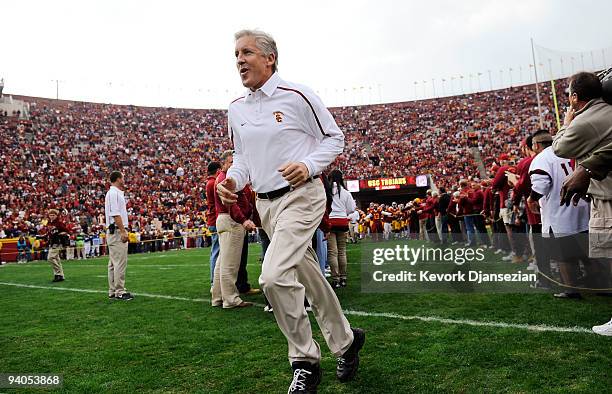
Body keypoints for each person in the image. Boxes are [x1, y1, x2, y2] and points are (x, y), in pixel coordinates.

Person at [217, 29, 364, 393]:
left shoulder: (298, 95)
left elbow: (335, 138)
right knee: (309, 275)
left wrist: (309, 164)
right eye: (236, 54)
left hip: (302, 196)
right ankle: (346, 342)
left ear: (270, 58)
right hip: (266, 205)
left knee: (272, 276)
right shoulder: (236, 109)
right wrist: (233, 181)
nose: (239, 60)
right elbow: (242, 161)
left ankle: (304, 360)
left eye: (247, 52)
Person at [528, 130, 591, 299]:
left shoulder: (542, 158)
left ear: (536, 145)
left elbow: (540, 184)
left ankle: (571, 289)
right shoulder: (570, 151)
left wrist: (531, 199)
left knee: (563, 255)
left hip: (560, 212)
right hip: (583, 207)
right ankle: (599, 283)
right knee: (590, 252)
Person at [212, 150, 256, 309]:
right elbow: (232, 204)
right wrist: (243, 220)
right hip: (231, 221)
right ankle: (230, 299)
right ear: (223, 164)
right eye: (230, 162)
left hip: (224, 220)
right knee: (230, 264)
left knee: (222, 262)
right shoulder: (226, 179)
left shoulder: (221, 178)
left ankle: (217, 296)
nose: (233, 166)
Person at [105, 171, 133, 301]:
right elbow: (115, 213)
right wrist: (122, 230)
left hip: (114, 231)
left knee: (114, 263)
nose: (124, 180)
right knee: (119, 263)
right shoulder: (113, 193)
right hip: (116, 231)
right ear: (118, 179)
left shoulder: (114, 193)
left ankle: (113, 290)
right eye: (123, 177)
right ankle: (119, 291)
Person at [327, 169, 356, 289]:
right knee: (342, 251)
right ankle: (343, 278)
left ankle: (335, 279)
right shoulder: (346, 192)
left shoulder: (326, 191)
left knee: (332, 252)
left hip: (330, 222)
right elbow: (351, 209)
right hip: (342, 222)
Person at [206, 161, 222, 284]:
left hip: (212, 220)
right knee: (216, 252)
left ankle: (215, 280)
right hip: (215, 220)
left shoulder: (210, 182)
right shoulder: (213, 183)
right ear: (217, 171)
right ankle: (214, 281)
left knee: (215, 251)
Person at [44, 209, 70, 282]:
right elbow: (49, 233)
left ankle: (57, 273)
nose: (52, 216)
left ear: (56, 215)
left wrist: (62, 233)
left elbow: (67, 231)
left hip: (58, 243)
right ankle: (61, 275)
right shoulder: (49, 223)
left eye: (53, 215)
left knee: (50, 258)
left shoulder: (59, 223)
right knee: (57, 260)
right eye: (50, 215)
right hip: (52, 242)